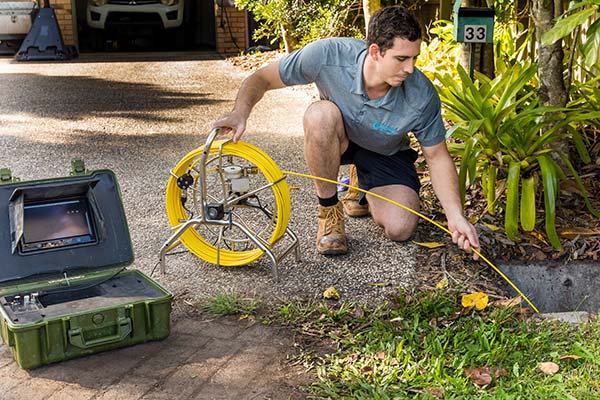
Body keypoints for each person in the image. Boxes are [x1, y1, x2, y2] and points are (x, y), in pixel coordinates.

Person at [213, 5, 480, 259]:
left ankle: (359, 181)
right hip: (339, 137)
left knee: (401, 228)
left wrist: (455, 216)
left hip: (385, 151)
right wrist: (240, 113)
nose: (410, 69)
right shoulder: (328, 55)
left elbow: (437, 157)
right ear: (375, 52)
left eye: (414, 58)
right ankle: (329, 212)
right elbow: (262, 78)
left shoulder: (421, 94)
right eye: (401, 59)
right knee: (320, 114)